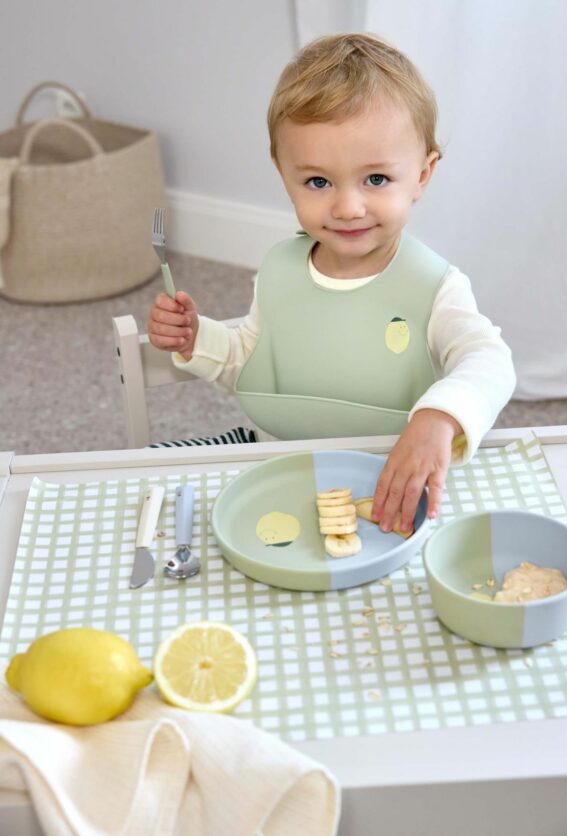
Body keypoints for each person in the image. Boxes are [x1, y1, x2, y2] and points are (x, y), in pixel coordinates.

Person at [147, 32, 516, 534]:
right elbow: (252, 367)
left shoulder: (435, 287)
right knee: (148, 486)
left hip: (388, 485)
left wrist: (439, 418)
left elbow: (490, 362)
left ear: (423, 175)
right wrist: (198, 340)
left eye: (377, 180)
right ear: (283, 173)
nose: (347, 207)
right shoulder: (278, 271)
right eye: (318, 182)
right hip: (274, 464)